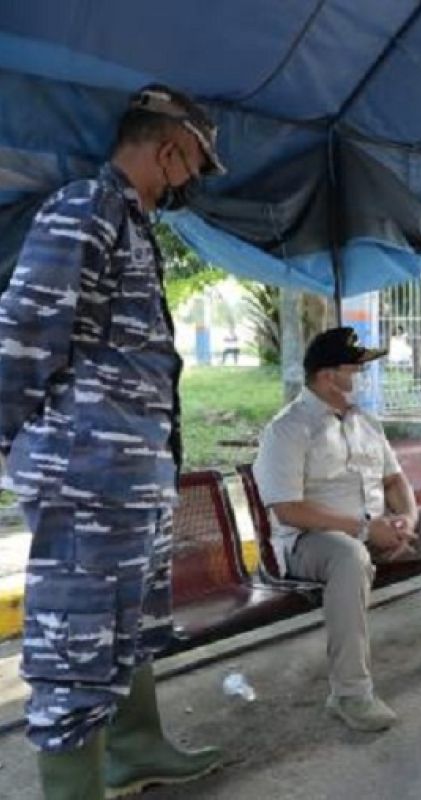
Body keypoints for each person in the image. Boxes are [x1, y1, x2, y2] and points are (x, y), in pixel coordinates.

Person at [0, 84, 225, 798]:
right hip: (87, 479)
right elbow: (24, 340)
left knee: (126, 632)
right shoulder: (85, 209)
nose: (190, 182)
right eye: (193, 165)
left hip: (127, 482)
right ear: (168, 150)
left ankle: (136, 750)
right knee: (76, 648)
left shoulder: (129, 224)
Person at [253, 327, 421, 733]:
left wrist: (408, 522)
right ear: (328, 377)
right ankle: (349, 693)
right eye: (356, 370)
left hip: (377, 529)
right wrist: (365, 530)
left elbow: (395, 482)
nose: (364, 378)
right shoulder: (289, 429)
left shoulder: (365, 422)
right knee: (350, 556)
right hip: (313, 543)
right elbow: (288, 510)